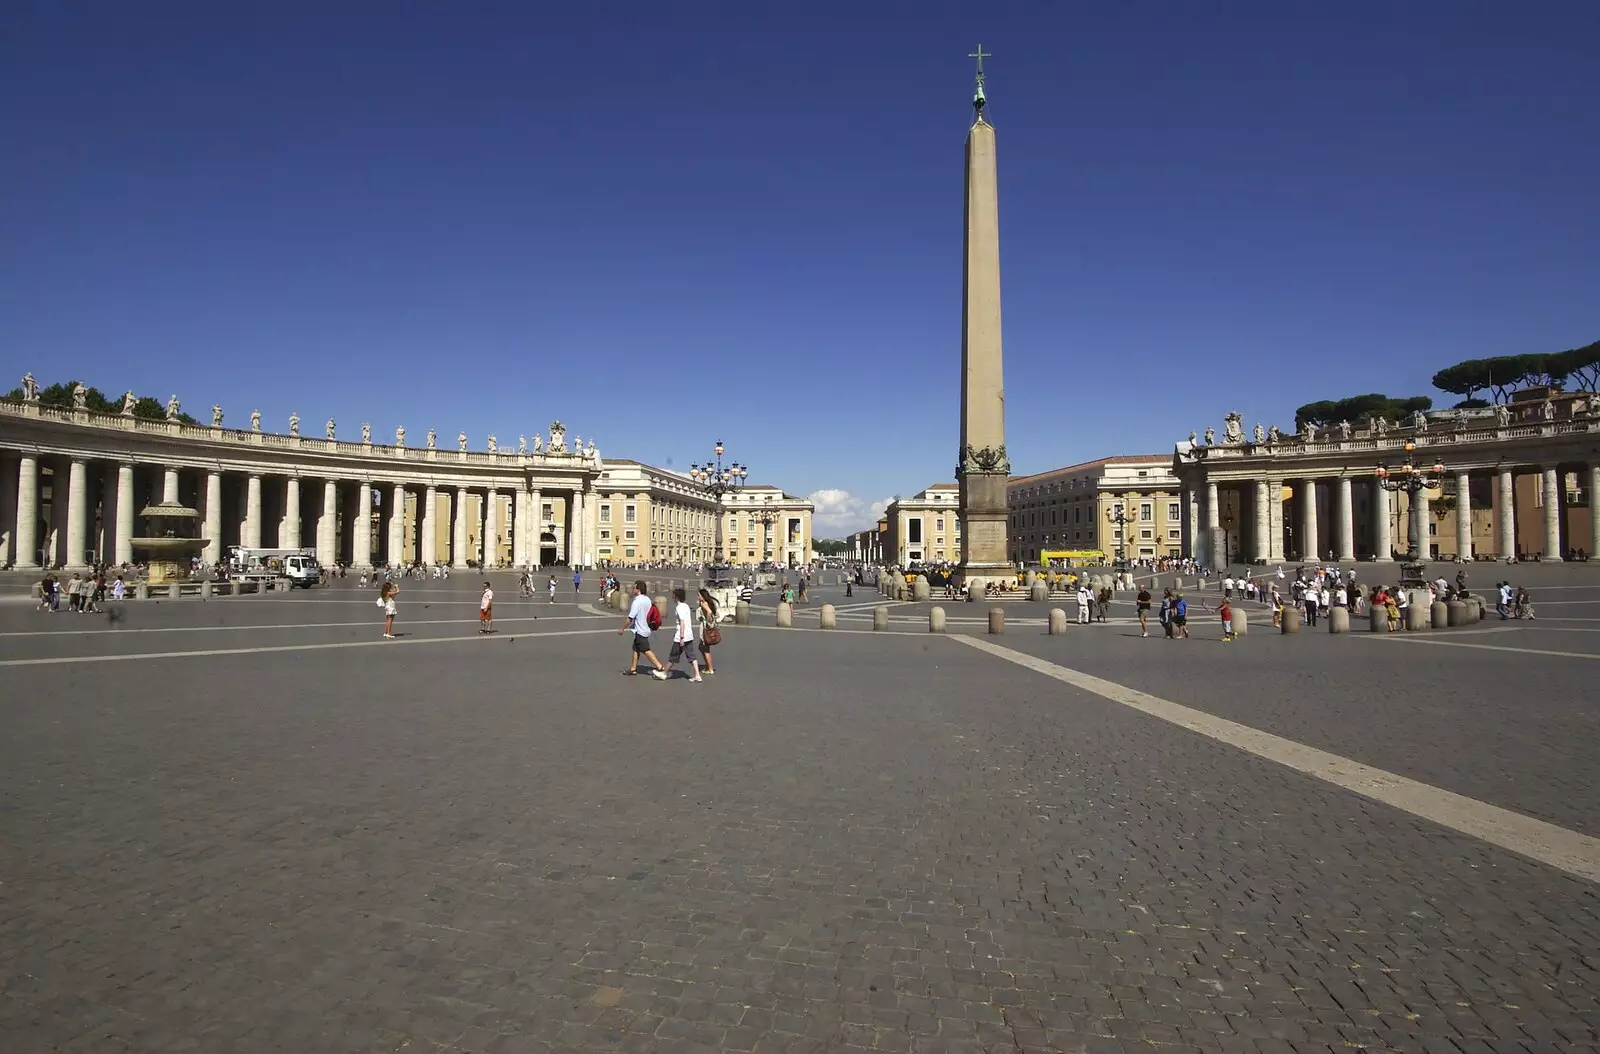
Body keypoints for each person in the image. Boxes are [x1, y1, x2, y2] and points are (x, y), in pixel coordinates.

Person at [619, 580, 667, 677]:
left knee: (645, 650)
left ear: (638, 589)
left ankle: (660, 667)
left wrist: (622, 628)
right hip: (645, 628)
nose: (633, 590)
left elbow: (630, 618)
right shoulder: (647, 600)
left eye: (634, 588)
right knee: (636, 648)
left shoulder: (637, 602)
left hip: (640, 630)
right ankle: (633, 669)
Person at [663, 587, 703, 682]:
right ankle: (697, 675)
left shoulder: (679, 607)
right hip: (689, 635)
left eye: (673, 596)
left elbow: (682, 622)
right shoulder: (686, 606)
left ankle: (664, 673)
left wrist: (681, 637)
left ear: (676, 597)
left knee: (673, 656)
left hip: (681, 636)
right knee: (691, 656)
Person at [696, 588, 720, 675]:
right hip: (708, 626)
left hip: (705, 628)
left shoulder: (704, 604)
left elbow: (709, 612)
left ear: (703, 597)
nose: (697, 597)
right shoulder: (710, 603)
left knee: (705, 649)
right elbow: (715, 614)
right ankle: (708, 666)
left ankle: (710, 669)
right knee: (701, 647)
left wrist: (708, 622)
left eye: (699, 595)